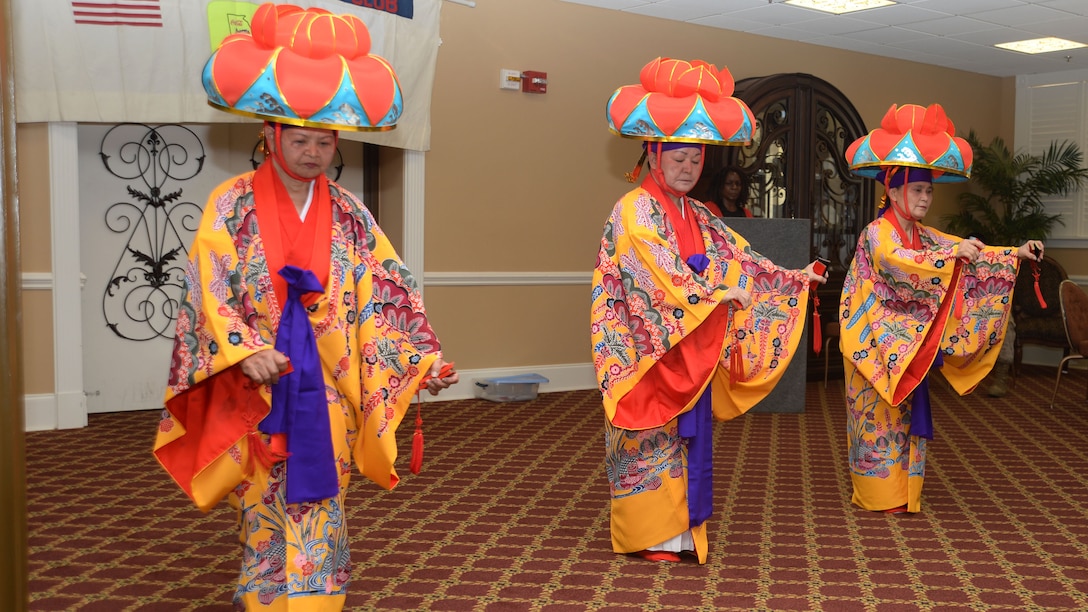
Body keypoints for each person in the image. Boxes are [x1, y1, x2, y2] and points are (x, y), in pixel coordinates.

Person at [152, 4, 457, 609]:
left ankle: (315, 598)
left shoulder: (348, 211)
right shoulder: (231, 204)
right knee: (263, 491)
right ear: (270, 136)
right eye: (300, 138)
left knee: (324, 489)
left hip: (330, 379)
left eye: (324, 140)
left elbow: (386, 285)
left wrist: (420, 357)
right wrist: (244, 348)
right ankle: (266, 592)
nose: (314, 152)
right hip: (259, 377)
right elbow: (209, 284)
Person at [593, 57, 828, 564]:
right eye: (677, 158)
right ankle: (647, 535)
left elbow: (740, 258)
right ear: (654, 157)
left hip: (690, 341)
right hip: (647, 347)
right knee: (649, 437)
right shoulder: (633, 209)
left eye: (695, 161)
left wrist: (792, 279)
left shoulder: (698, 213)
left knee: (684, 439)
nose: (687, 169)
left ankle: (679, 532)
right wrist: (707, 296)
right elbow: (652, 270)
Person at [839, 103, 1043, 515]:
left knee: (903, 417)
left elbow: (967, 254)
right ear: (894, 192)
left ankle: (906, 490)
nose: (925, 197)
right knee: (875, 418)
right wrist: (950, 258)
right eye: (918, 189)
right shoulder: (878, 233)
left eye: (929, 190)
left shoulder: (923, 234)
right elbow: (899, 263)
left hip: (907, 345)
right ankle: (877, 493)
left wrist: (1015, 254)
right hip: (871, 343)